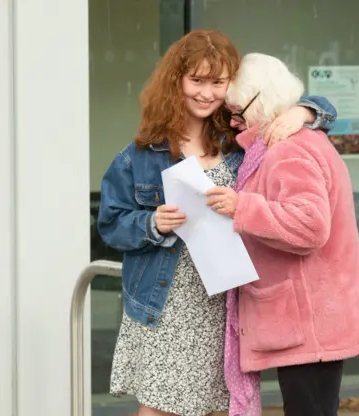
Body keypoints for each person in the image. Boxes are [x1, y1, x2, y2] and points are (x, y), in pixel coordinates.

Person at [97, 30, 337, 416]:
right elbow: (110, 224)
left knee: (223, 406)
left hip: (227, 302)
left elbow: (323, 109)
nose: (207, 93)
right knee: (160, 409)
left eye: (217, 82)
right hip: (168, 302)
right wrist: (152, 223)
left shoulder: (241, 139)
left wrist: (303, 111)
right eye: (197, 80)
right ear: (177, 80)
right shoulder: (141, 155)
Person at [205, 53, 359, 416]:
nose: (234, 121)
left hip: (311, 316)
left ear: (262, 101)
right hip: (315, 313)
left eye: (238, 110)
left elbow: (310, 227)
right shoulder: (292, 140)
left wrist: (242, 207)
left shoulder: (288, 149)